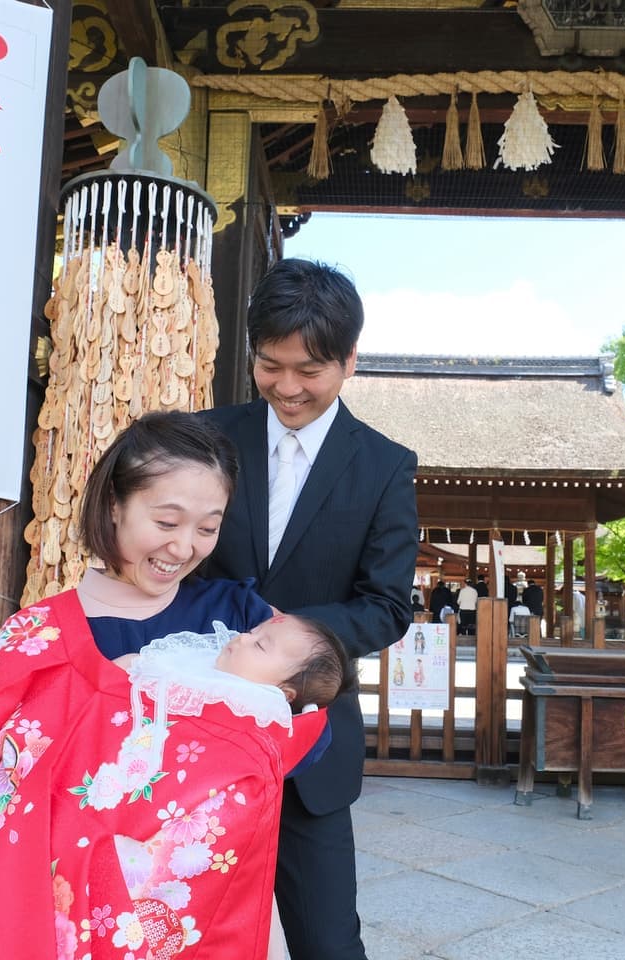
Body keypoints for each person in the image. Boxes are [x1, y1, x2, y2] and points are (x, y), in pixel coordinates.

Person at [0, 413, 334, 960]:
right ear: (114, 505)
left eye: (207, 528)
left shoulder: (238, 620)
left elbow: (297, 725)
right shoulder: (38, 633)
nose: (184, 548)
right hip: (53, 898)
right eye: (166, 522)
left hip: (201, 902)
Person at [201, 258, 418, 960]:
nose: (287, 388)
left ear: (350, 360)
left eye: (310, 370)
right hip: (193, 734)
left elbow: (385, 606)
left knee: (328, 943)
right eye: (270, 366)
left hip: (309, 745)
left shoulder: (385, 465)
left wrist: (282, 636)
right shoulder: (205, 439)